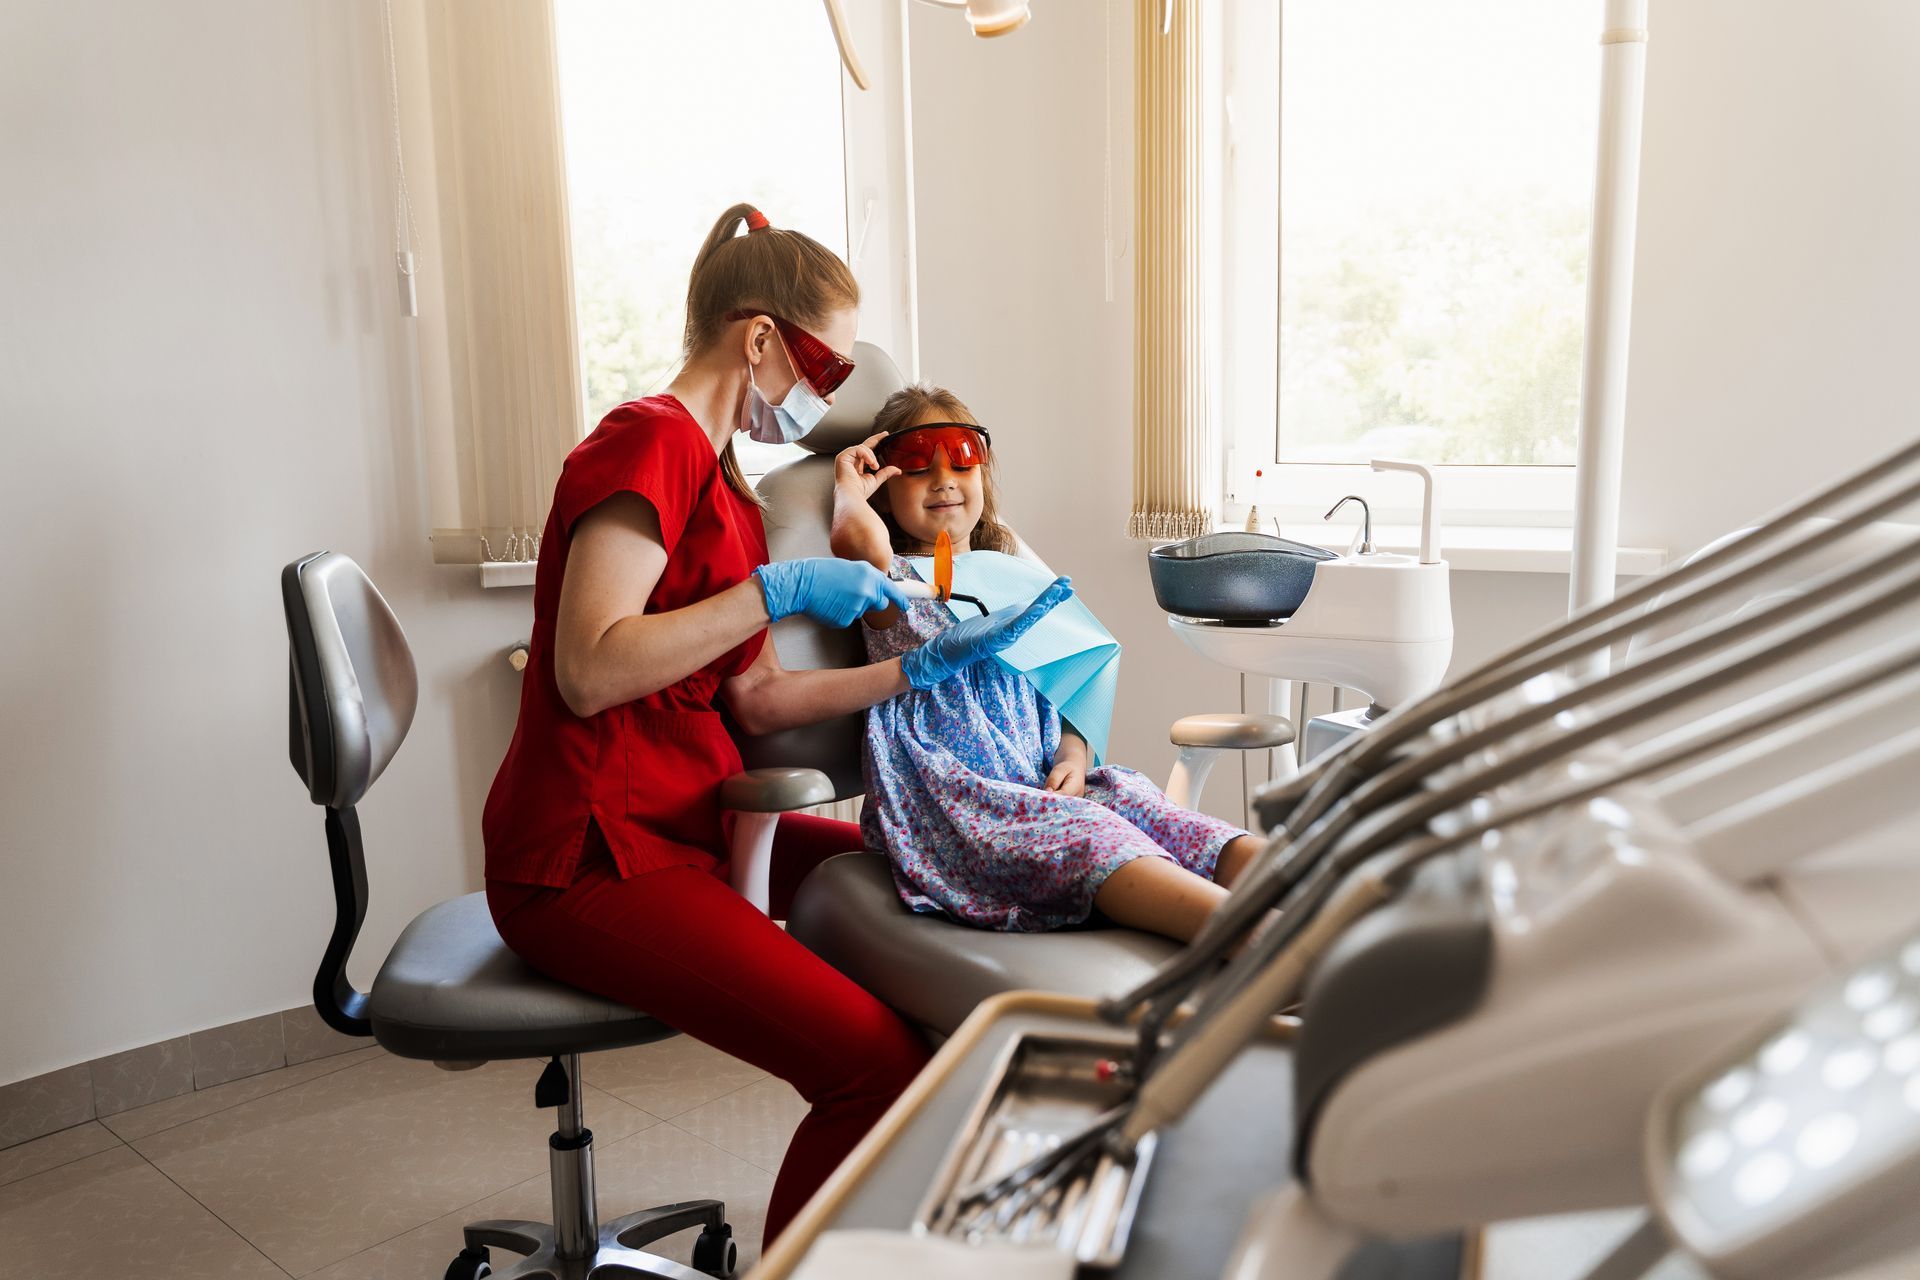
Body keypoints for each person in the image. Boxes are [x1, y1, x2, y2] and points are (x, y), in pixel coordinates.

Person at [481, 206, 1064, 1244]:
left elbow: (757, 702)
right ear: (759, 339)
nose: (831, 397)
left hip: (695, 817)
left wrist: (916, 668)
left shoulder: (726, 487)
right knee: (870, 1064)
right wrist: (774, 589)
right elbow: (586, 669)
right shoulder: (649, 438)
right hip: (592, 854)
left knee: (937, 875)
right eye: (828, 372)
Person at [831, 384, 1268, 940]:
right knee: (1092, 837)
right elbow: (853, 539)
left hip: (1041, 776)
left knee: (1155, 812)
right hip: (965, 799)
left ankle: (1337, 910)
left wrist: (1074, 750)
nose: (943, 479)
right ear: (884, 491)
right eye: (915, 466)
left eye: (962, 459)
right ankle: (1274, 950)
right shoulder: (892, 583)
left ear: (983, 475)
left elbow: (1072, 677)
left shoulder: (1014, 571)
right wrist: (850, 484)